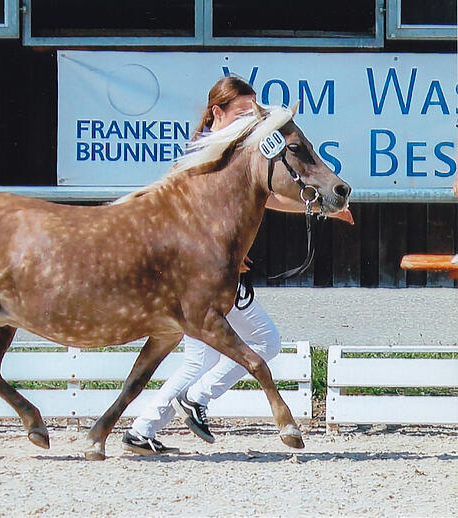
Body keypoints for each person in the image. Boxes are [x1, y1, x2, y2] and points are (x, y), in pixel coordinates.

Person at [122, 76, 352, 455]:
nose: (252, 117)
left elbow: (268, 195)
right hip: (206, 276)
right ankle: (191, 403)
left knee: (200, 358)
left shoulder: (231, 151)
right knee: (264, 341)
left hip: (209, 274)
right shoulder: (203, 156)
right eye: (244, 111)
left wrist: (316, 207)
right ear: (218, 112)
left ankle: (145, 428)